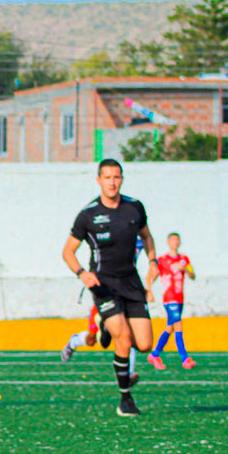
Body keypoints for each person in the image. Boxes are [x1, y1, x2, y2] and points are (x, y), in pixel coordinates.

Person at [62, 159, 156, 417]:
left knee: (145, 344)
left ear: (121, 179)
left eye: (116, 177)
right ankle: (125, 400)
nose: (112, 182)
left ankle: (106, 326)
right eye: (107, 177)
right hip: (104, 285)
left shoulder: (134, 208)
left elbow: (147, 236)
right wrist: (82, 273)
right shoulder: (88, 215)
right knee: (123, 340)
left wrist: (153, 261)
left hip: (132, 283)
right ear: (99, 180)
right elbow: (68, 252)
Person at [147, 232, 197, 370]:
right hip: (170, 298)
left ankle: (155, 354)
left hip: (180, 298)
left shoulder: (184, 259)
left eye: (177, 240)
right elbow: (151, 275)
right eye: (173, 240)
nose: (175, 242)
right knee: (178, 325)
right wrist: (149, 290)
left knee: (170, 327)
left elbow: (193, 275)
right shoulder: (162, 259)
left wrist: (185, 270)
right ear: (168, 242)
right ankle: (185, 358)